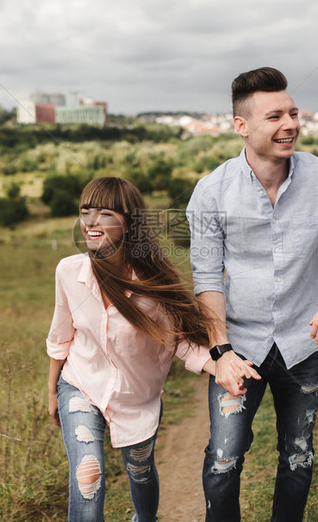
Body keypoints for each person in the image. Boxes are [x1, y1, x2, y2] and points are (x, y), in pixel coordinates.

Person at [187, 67, 318, 521]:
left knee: (298, 457)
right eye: (275, 116)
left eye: (294, 112)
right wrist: (220, 352)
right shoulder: (210, 192)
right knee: (224, 460)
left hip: (304, 345)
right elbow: (206, 278)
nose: (290, 124)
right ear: (241, 125)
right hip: (238, 348)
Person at [47, 176, 214, 522]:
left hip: (136, 399)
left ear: (129, 222)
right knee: (87, 477)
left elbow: (183, 340)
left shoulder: (155, 285)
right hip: (80, 384)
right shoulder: (69, 271)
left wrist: (222, 366)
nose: (91, 222)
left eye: (104, 213)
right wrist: (52, 392)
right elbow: (61, 335)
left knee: (140, 471)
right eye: (85, 212)